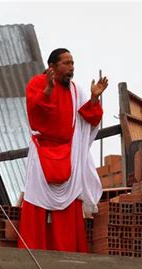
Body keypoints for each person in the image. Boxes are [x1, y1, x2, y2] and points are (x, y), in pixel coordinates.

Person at [18, 48, 108, 252]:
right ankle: (32, 253)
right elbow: (35, 112)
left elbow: (90, 117)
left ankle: (69, 253)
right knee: (36, 205)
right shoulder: (37, 83)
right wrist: (48, 91)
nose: (71, 68)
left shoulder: (76, 90)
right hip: (42, 152)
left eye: (73, 63)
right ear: (52, 67)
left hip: (70, 154)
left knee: (69, 207)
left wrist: (94, 99)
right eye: (66, 63)